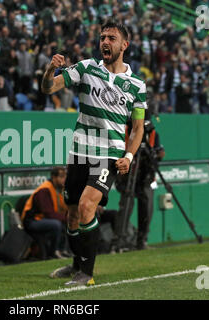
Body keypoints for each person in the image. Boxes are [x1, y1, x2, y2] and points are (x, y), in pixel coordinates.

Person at [41, 19, 146, 286]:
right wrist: (50, 69)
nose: (105, 42)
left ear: (125, 44)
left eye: (111, 38)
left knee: (88, 206)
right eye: (102, 37)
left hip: (108, 154)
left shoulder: (136, 85)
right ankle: (76, 264)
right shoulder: (87, 68)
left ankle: (86, 273)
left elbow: (137, 128)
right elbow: (48, 87)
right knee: (73, 212)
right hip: (79, 152)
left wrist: (129, 156)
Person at [115, 112, 165, 251]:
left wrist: (155, 153)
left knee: (147, 209)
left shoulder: (153, 133)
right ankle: (119, 241)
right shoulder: (124, 130)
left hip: (147, 176)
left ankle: (142, 241)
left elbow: (160, 152)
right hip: (128, 177)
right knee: (125, 207)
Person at [21, 167, 68, 259]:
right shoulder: (44, 190)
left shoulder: (59, 190)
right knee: (56, 224)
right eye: (61, 177)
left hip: (42, 219)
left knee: (68, 223)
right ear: (54, 177)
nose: (64, 179)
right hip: (32, 221)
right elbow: (48, 213)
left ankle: (64, 251)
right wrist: (67, 218)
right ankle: (53, 252)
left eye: (65, 176)